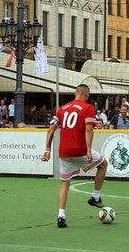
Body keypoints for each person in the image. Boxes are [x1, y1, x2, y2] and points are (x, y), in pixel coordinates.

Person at [40, 84, 108, 228]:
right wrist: (88, 150)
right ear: (87, 94)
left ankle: (61, 215)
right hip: (79, 150)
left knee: (65, 183)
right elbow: (89, 129)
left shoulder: (62, 109)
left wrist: (47, 150)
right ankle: (95, 196)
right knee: (103, 164)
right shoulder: (88, 108)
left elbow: (51, 129)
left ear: (75, 93)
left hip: (63, 151)